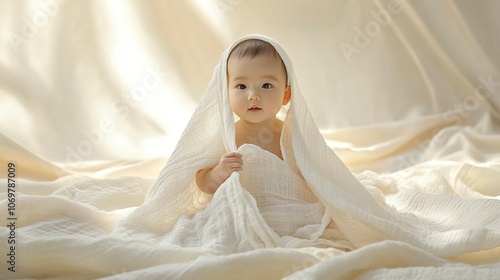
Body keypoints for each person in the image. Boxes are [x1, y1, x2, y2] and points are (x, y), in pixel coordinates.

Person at [195, 39, 291, 194]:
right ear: (226, 94)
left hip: (284, 205)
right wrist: (219, 172)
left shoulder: (290, 136)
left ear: (286, 95)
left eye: (266, 85)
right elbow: (205, 186)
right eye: (242, 86)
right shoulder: (226, 136)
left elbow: (313, 176)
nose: (253, 96)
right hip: (238, 203)